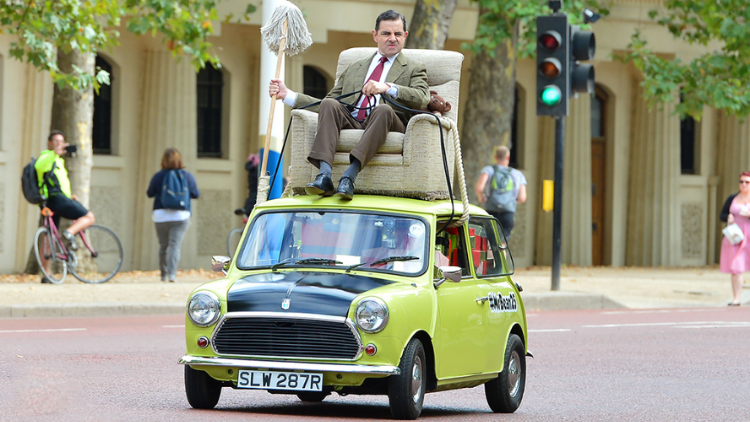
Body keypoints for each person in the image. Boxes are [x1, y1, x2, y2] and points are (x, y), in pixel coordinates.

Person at [269, 9, 430, 200]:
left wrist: (387, 87)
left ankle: (349, 176)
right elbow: (327, 104)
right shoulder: (355, 67)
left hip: (388, 122)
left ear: (405, 36)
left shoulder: (414, 68)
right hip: (353, 120)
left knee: (383, 109)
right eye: (386, 33)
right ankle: (325, 175)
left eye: (398, 34)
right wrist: (288, 95)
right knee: (330, 104)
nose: (392, 38)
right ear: (375, 35)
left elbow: (422, 97)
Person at [35, 130, 96, 283]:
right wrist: (53, 153)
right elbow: (39, 166)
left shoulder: (58, 161)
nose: (59, 144)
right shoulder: (46, 158)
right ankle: (70, 232)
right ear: (49, 144)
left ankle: (46, 274)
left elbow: (58, 182)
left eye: (61, 142)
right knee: (89, 217)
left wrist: (69, 196)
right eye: (55, 141)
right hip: (55, 200)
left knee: (49, 236)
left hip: (56, 200)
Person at [146, 148, 200, 283]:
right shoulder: (186, 176)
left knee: (163, 246)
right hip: (181, 216)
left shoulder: (159, 176)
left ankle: (163, 275)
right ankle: (172, 275)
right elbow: (196, 194)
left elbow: (149, 193)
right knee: (174, 245)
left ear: (163, 160)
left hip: (161, 215)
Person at [475, 146, 527, 239]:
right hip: (508, 213)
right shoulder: (517, 174)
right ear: (508, 157)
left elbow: (479, 188)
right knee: (502, 244)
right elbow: (522, 198)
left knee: (489, 242)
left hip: (491, 210)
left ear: (495, 157)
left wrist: (481, 197)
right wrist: (512, 203)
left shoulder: (488, 170)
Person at [719, 171, 750, 306]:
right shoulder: (733, 198)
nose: (744, 185)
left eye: (747, 182)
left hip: (748, 234)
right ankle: (736, 298)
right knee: (736, 266)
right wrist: (728, 217)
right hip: (736, 236)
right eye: (741, 182)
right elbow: (722, 214)